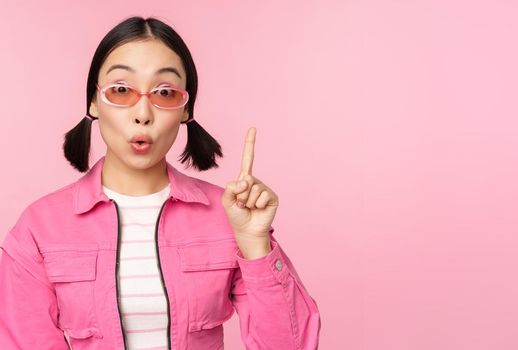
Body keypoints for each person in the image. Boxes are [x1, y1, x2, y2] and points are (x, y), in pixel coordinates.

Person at [0, 16, 321, 350]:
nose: (143, 113)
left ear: (185, 109)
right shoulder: (39, 228)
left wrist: (256, 244)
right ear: (93, 102)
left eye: (165, 92)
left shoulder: (227, 216)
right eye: (121, 90)